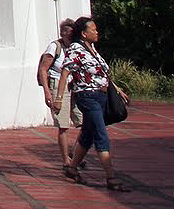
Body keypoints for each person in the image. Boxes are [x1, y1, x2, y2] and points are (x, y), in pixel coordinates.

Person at [54, 16, 133, 192]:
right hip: (87, 97)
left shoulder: (93, 49)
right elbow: (65, 74)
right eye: (93, 30)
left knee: (88, 134)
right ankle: (111, 177)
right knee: (100, 134)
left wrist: (118, 90)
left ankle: (72, 168)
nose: (97, 32)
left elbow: (102, 74)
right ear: (83, 33)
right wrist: (59, 98)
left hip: (101, 96)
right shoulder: (75, 49)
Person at [36, 17, 77, 164]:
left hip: (74, 85)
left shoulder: (76, 47)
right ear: (64, 33)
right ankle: (66, 159)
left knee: (85, 121)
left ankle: (76, 152)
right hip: (58, 84)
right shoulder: (55, 47)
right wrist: (47, 92)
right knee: (63, 124)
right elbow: (43, 68)